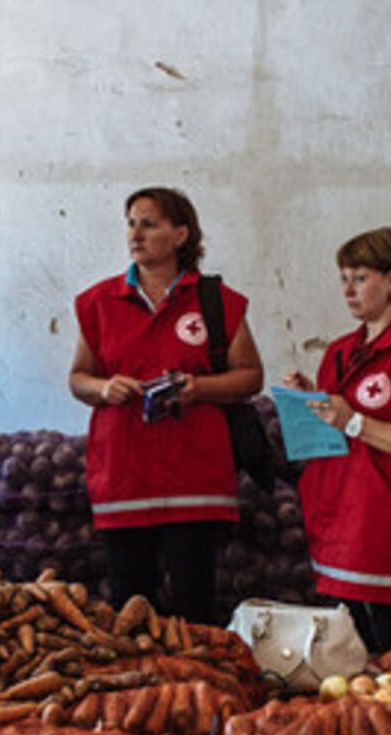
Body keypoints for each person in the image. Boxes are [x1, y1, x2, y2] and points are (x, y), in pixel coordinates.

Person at [68, 187, 264, 626]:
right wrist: (103, 388)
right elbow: (78, 377)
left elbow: (250, 375)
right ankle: (140, 692)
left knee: (195, 604)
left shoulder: (217, 302)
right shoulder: (98, 302)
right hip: (124, 478)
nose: (135, 234)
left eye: (149, 224)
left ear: (180, 235)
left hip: (196, 479)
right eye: (131, 223)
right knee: (131, 606)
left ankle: (201, 691)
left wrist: (200, 388)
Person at [284, 226, 391, 652]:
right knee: (342, 652)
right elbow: (337, 427)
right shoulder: (340, 352)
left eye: (360, 277)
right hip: (337, 516)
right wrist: (311, 404)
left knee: (388, 653)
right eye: (343, 278)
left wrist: (355, 421)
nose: (348, 289)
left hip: (384, 525)